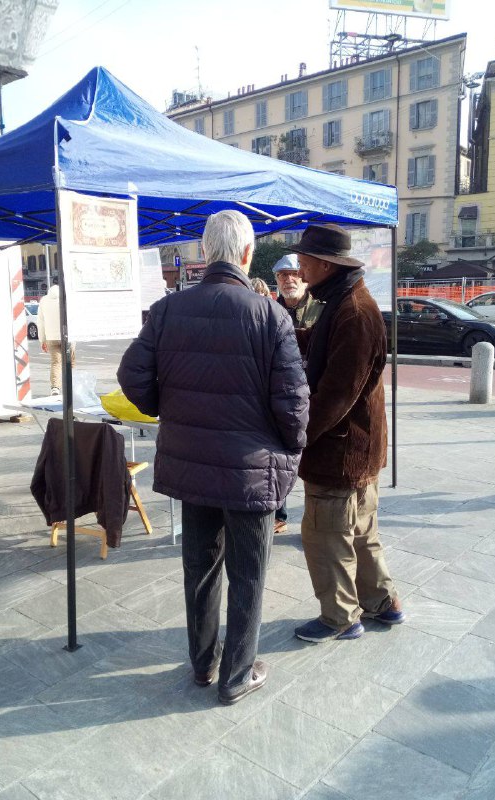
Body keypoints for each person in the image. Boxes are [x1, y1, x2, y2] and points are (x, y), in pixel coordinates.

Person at [118, 210, 309, 704]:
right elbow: (293, 401)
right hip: (251, 470)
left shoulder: (167, 311)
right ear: (247, 256)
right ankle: (237, 676)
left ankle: (203, 666)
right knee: (248, 573)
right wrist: (290, 448)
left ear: (204, 253)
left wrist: (171, 409)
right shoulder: (271, 316)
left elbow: (132, 377)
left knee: (199, 569)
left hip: (193, 464)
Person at [286, 223, 404, 643]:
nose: (299, 269)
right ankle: (383, 603)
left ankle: (340, 617)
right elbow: (318, 343)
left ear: (325, 264)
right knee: (361, 531)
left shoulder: (353, 311)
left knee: (324, 534)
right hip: (359, 448)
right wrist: (285, 335)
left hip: (342, 451)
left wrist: (296, 436)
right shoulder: (344, 301)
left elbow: (337, 395)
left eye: (303, 263)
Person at [272, 253, 324, 533]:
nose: (288, 280)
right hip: (280, 395)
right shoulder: (271, 309)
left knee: (311, 459)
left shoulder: (321, 308)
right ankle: (279, 513)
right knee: (280, 458)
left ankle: (313, 519)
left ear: (303, 277)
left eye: (293, 274)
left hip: (313, 394)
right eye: (282, 276)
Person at [37, 279, 75, 395]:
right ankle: (71, 385)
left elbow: (40, 322)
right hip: (67, 336)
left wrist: (42, 340)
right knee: (70, 362)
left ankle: (55, 387)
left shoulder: (44, 301)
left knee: (55, 362)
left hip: (51, 338)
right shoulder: (67, 299)